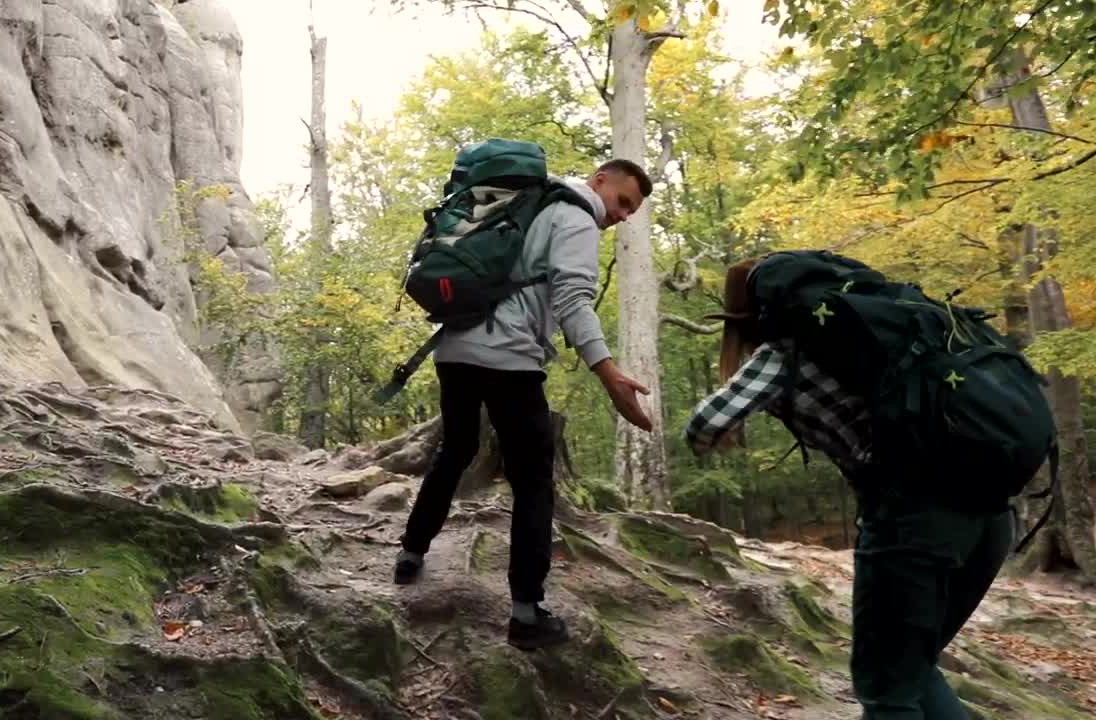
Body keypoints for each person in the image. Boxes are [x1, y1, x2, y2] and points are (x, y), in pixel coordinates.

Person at [682, 258, 1018, 719]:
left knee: (888, 694)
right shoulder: (886, 335)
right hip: (991, 514)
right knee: (910, 669)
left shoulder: (781, 355)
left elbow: (704, 426)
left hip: (911, 524)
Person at [392, 159, 657, 651]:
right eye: (623, 202)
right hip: (509, 356)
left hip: (454, 349)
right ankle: (526, 613)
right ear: (600, 180)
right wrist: (608, 371)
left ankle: (410, 553)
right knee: (534, 480)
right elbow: (574, 301)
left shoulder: (523, 202)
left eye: (632, 211)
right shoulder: (575, 216)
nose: (622, 215)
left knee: (456, 449)